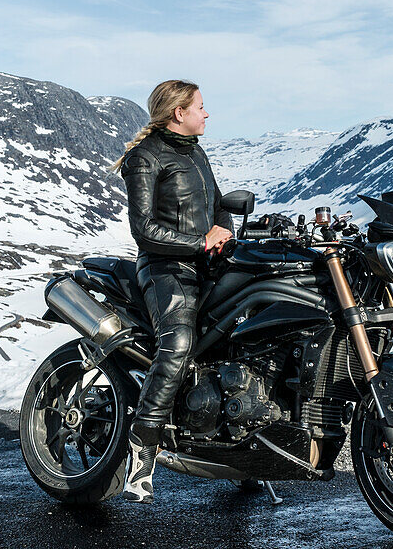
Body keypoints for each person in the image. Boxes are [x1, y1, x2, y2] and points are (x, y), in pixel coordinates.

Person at [108, 80, 235, 503]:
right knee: (179, 341)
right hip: (165, 268)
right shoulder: (144, 158)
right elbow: (144, 230)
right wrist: (199, 243)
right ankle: (142, 450)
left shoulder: (196, 152)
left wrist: (223, 234)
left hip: (206, 262)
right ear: (179, 112)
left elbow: (218, 206)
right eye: (201, 106)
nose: (207, 113)